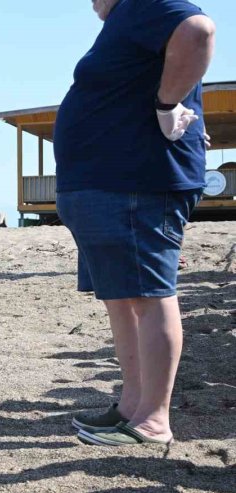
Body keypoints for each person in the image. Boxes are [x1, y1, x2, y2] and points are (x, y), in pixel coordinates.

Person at [55, 0, 214, 446]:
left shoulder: (145, 3)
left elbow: (197, 31)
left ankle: (153, 419)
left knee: (147, 294)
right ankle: (131, 405)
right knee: (122, 297)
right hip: (110, 184)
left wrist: (169, 102)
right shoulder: (128, 18)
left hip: (136, 182)